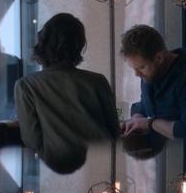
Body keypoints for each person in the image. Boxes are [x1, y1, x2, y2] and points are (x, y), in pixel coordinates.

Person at [15, 13, 119, 168]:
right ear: (79, 46)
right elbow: (114, 130)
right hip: (105, 161)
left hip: (58, 165)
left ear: (43, 43)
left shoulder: (26, 86)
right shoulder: (98, 81)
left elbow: (32, 140)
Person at [120, 25, 186, 140]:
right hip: (167, 151)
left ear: (159, 58)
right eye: (134, 69)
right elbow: (146, 105)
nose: (137, 74)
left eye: (141, 67)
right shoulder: (150, 73)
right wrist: (136, 119)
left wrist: (149, 124)